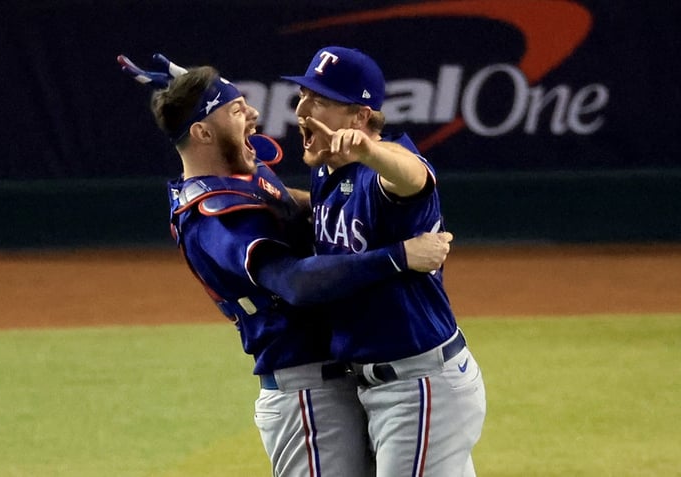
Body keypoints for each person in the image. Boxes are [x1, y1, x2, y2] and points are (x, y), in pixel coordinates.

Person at [120, 54, 455, 477]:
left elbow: (287, 201)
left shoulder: (235, 176)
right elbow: (294, 282)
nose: (256, 114)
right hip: (305, 397)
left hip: (339, 386)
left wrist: (197, 88)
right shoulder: (216, 217)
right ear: (204, 131)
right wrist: (399, 255)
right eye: (238, 109)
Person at [281, 46, 487, 477]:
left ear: (359, 117)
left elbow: (414, 176)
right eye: (302, 95)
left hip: (419, 386)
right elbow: (330, 212)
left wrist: (370, 153)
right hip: (381, 387)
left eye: (319, 100)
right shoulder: (325, 169)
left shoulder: (382, 173)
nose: (302, 109)